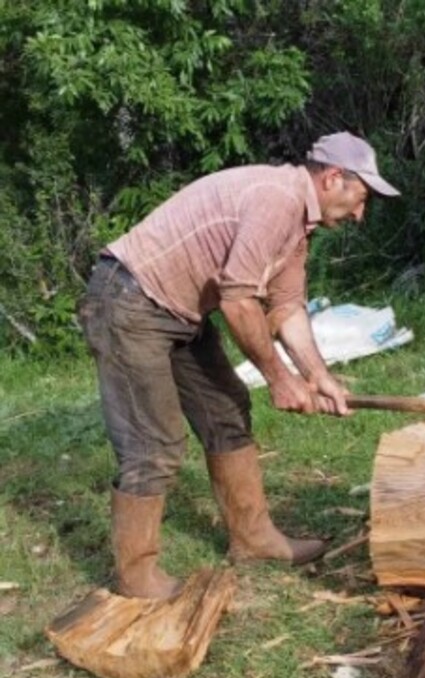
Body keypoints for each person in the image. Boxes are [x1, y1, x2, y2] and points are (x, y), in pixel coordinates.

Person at [78, 132, 400, 598]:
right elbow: (238, 302)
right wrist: (280, 379)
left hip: (177, 310)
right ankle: (137, 577)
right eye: (360, 198)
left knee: (226, 408)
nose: (360, 213)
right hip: (129, 302)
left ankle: (252, 538)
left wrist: (319, 376)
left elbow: (287, 307)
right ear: (333, 178)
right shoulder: (275, 200)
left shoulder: (298, 225)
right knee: (154, 443)